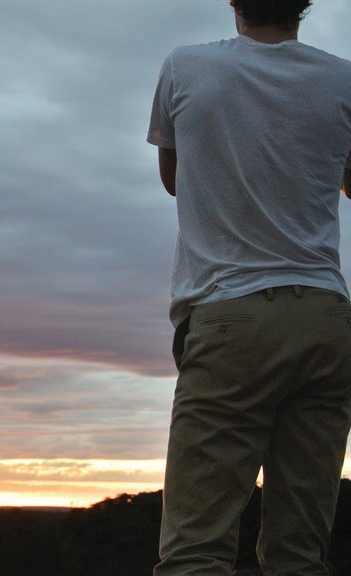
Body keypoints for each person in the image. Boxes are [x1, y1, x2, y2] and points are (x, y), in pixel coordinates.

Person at [147, 0, 351, 574]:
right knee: (300, 552)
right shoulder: (343, 78)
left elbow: (174, 179)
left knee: (197, 548)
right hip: (324, 316)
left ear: (234, 2)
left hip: (229, 313)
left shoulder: (186, 66)